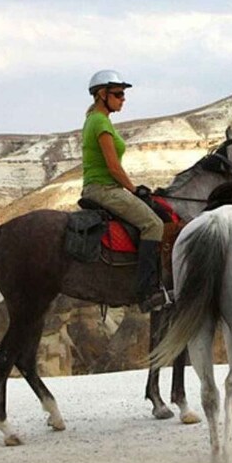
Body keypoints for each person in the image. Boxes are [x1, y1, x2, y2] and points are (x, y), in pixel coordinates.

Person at [81, 69, 172, 312]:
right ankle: (146, 291)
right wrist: (133, 190)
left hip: (100, 186)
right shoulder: (100, 122)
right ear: (102, 94)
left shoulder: (97, 120)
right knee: (154, 224)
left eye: (123, 95)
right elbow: (113, 166)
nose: (123, 99)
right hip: (103, 188)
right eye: (118, 94)